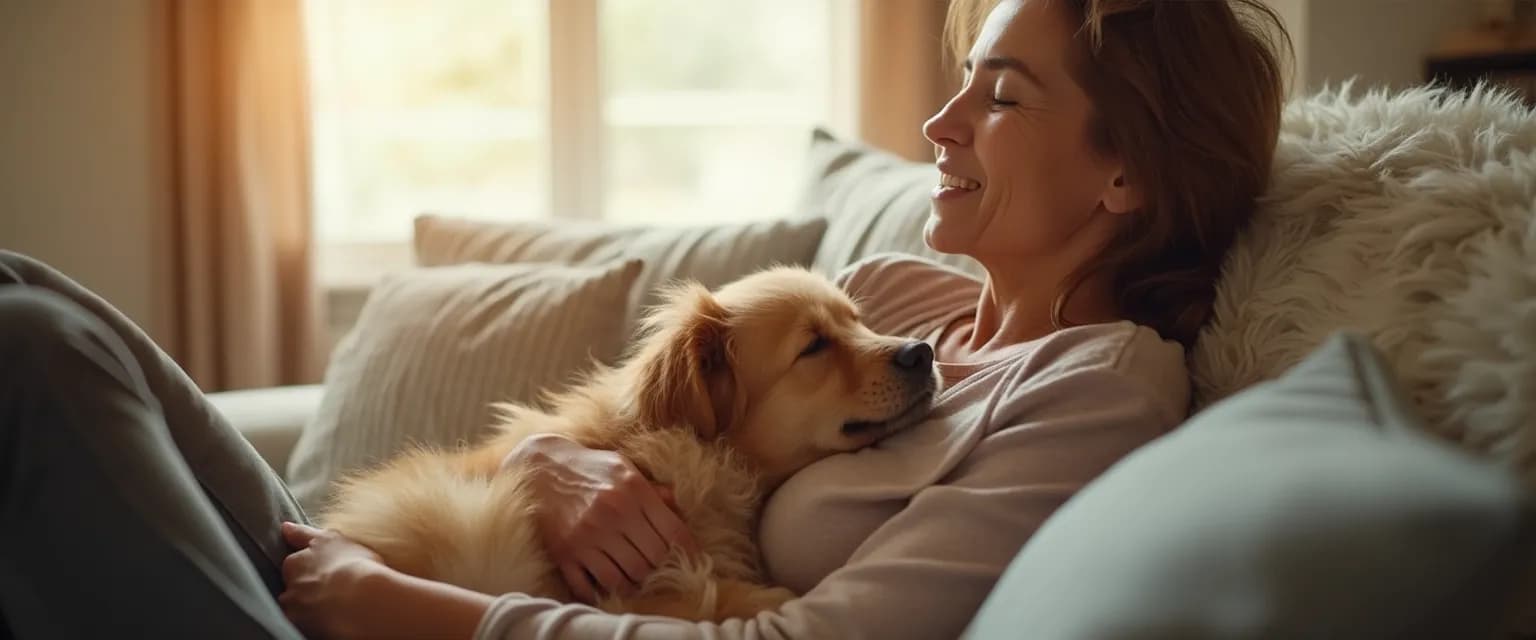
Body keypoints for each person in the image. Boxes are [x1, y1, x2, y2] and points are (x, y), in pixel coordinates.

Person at [0, 0, 1289, 638]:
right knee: (36, 302)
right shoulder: (907, 302)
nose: (939, 127)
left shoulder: (1098, 390)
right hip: (404, 566)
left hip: (410, 622)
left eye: (998, 97)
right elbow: (628, 427)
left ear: (1128, 173)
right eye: (958, 83)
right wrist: (547, 462)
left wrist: (414, 611)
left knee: (30, 357)